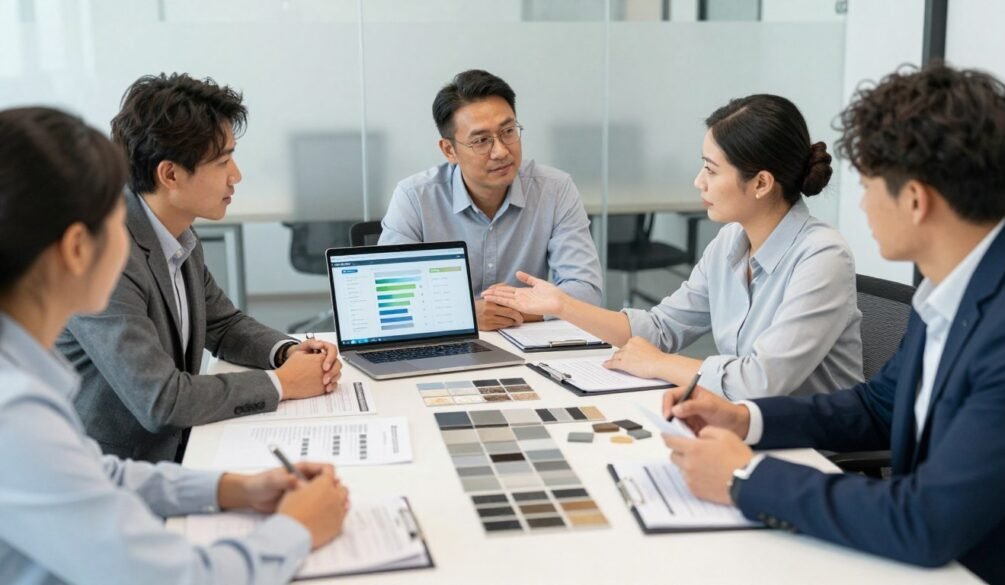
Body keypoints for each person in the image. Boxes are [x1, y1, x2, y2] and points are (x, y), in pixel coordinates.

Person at [661, 64, 1005, 584]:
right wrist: (745, 420)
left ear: (916, 200)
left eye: (870, 184)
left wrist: (746, 476)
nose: (861, 203)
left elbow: (925, 520)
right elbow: (879, 405)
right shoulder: (950, 281)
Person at [0, 106, 349, 585]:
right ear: (78, 248)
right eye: (113, 216)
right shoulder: (13, 412)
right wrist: (296, 530)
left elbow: (98, 473)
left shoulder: (22, 385)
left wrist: (238, 488)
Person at [485, 94, 863, 399]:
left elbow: (763, 380)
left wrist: (659, 364)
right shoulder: (731, 242)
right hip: (741, 425)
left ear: (761, 183)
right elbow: (663, 328)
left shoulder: (821, 257)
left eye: (711, 170)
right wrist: (562, 305)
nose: (699, 182)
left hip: (814, 449)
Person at [57, 74, 342, 463]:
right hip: (117, 472)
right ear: (170, 174)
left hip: (178, 453)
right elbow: (161, 400)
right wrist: (282, 384)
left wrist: (286, 352)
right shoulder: (106, 255)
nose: (236, 175)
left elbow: (222, 324)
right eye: (223, 160)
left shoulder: (174, 230)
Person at [378, 69, 603, 331]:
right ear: (449, 150)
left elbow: (586, 291)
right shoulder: (414, 197)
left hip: (526, 344)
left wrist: (509, 311)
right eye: (482, 140)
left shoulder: (555, 190)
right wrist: (466, 314)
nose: (501, 151)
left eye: (508, 131)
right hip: (445, 345)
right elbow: (389, 298)